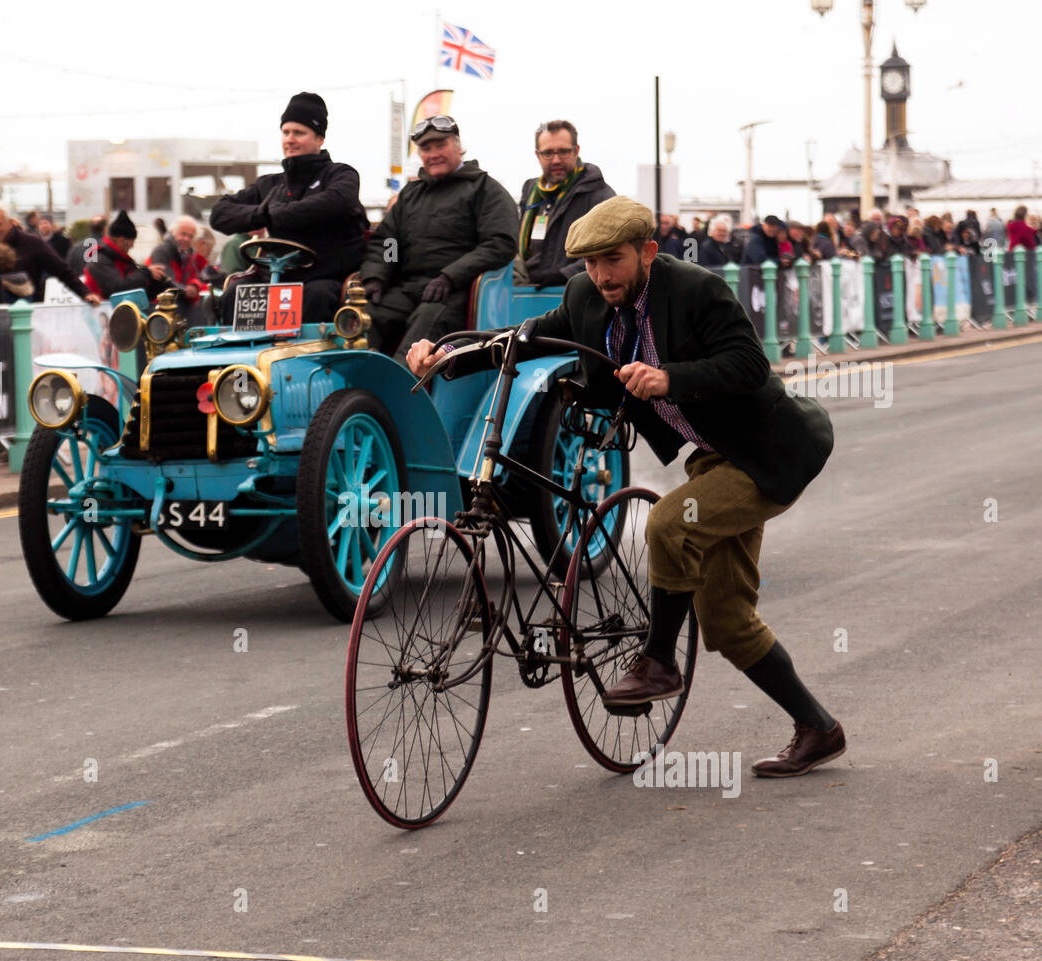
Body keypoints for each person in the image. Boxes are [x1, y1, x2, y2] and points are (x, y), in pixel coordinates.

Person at [407, 195, 842, 776]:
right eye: (590, 263)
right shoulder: (585, 296)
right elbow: (527, 339)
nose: (601, 275)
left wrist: (669, 378)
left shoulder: (696, 290)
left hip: (769, 453)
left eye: (613, 259)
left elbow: (748, 365)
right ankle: (819, 729)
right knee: (727, 622)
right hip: (713, 460)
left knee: (669, 523)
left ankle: (658, 661)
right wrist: (447, 357)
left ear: (648, 252)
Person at [359, 115, 517, 362]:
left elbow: (499, 243)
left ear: (458, 146)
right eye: (426, 148)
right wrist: (377, 276)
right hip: (406, 289)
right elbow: (389, 241)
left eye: (440, 145)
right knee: (360, 321)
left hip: (453, 292)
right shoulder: (410, 195)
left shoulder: (485, 189)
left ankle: (400, 383)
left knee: (417, 345)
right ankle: (354, 378)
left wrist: (449, 277)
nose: (433, 154)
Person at [211, 91, 368, 322]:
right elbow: (219, 213)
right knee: (235, 291)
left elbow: (336, 201)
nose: (290, 139)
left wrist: (279, 213)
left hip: (325, 277)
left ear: (320, 139)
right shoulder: (270, 184)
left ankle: (314, 346)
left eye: (299, 133)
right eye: (286, 132)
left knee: (317, 295)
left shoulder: (341, 175)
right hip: (276, 276)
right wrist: (261, 213)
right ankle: (238, 346)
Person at [514, 119, 615, 287]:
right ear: (538, 155)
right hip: (530, 292)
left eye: (563, 152)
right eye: (548, 153)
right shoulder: (531, 193)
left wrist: (564, 275)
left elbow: (610, 248)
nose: (556, 160)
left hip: (578, 292)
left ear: (576, 151)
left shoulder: (599, 194)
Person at [0, 202, 99, 304]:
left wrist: (85, 293)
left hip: (29, 312)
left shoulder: (32, 243)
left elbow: (61, 269)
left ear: (11, 222)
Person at [84, 210, 171, 301]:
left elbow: (135, 287)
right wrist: (146, 273)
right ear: (121, 240)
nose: (132, 246)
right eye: (132, 242)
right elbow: (117, 289)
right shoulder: (99, 259)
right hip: (103, 308)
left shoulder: (120, 258)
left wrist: (156, 283)